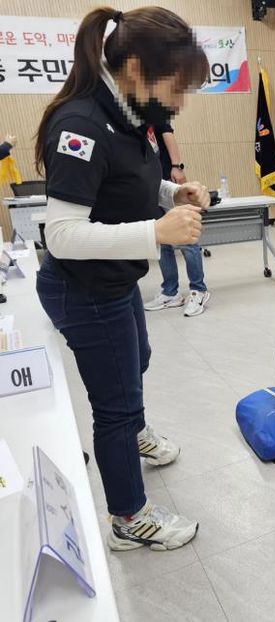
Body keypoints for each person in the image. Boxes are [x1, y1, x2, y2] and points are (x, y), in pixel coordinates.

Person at [35, 6, 210, 551]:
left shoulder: (130, 115)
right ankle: (129, 519)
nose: (179, 102)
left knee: (138, 362)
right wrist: (156, 232)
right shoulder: (82, 125)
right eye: (176, 87)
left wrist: (171, 193)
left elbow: (124, 181)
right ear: (134, 68)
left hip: (115, 280)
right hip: (84, 289)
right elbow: (62, 234)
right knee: (114, 403)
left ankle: (135, 433)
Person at [144, 123, 211, 317]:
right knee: (162, 240)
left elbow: (167, 135)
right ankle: (170, 292)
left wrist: (177, 167)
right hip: (150, 185)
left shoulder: (151, 111)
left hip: (168, 182)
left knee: (187, 240)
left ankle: (199, 290)